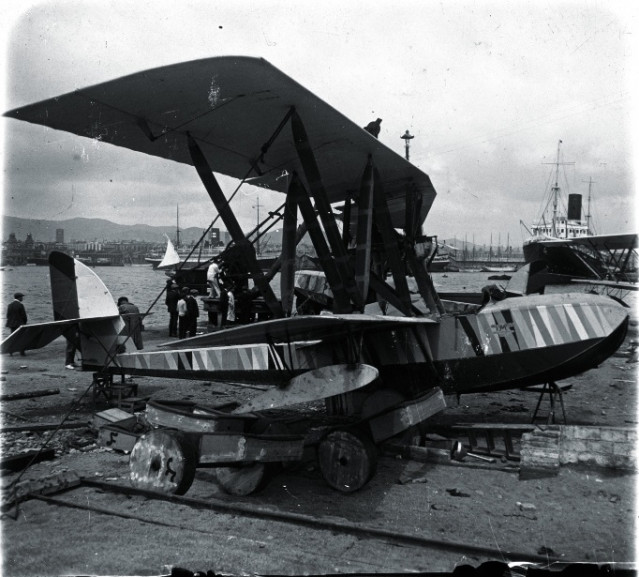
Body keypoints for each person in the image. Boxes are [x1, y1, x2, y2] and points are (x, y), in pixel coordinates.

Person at [6, 291, 27, 356]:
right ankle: (22, 352)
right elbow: (24, 316)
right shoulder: (20, 305)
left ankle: (11, 352)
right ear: (19, 298)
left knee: (13, 338)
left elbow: (8, 315)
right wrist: (24, 323)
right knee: (22, 338)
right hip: (19, 324)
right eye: (22, 297)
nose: (22, 298)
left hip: (11, 324)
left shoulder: (10, 305)